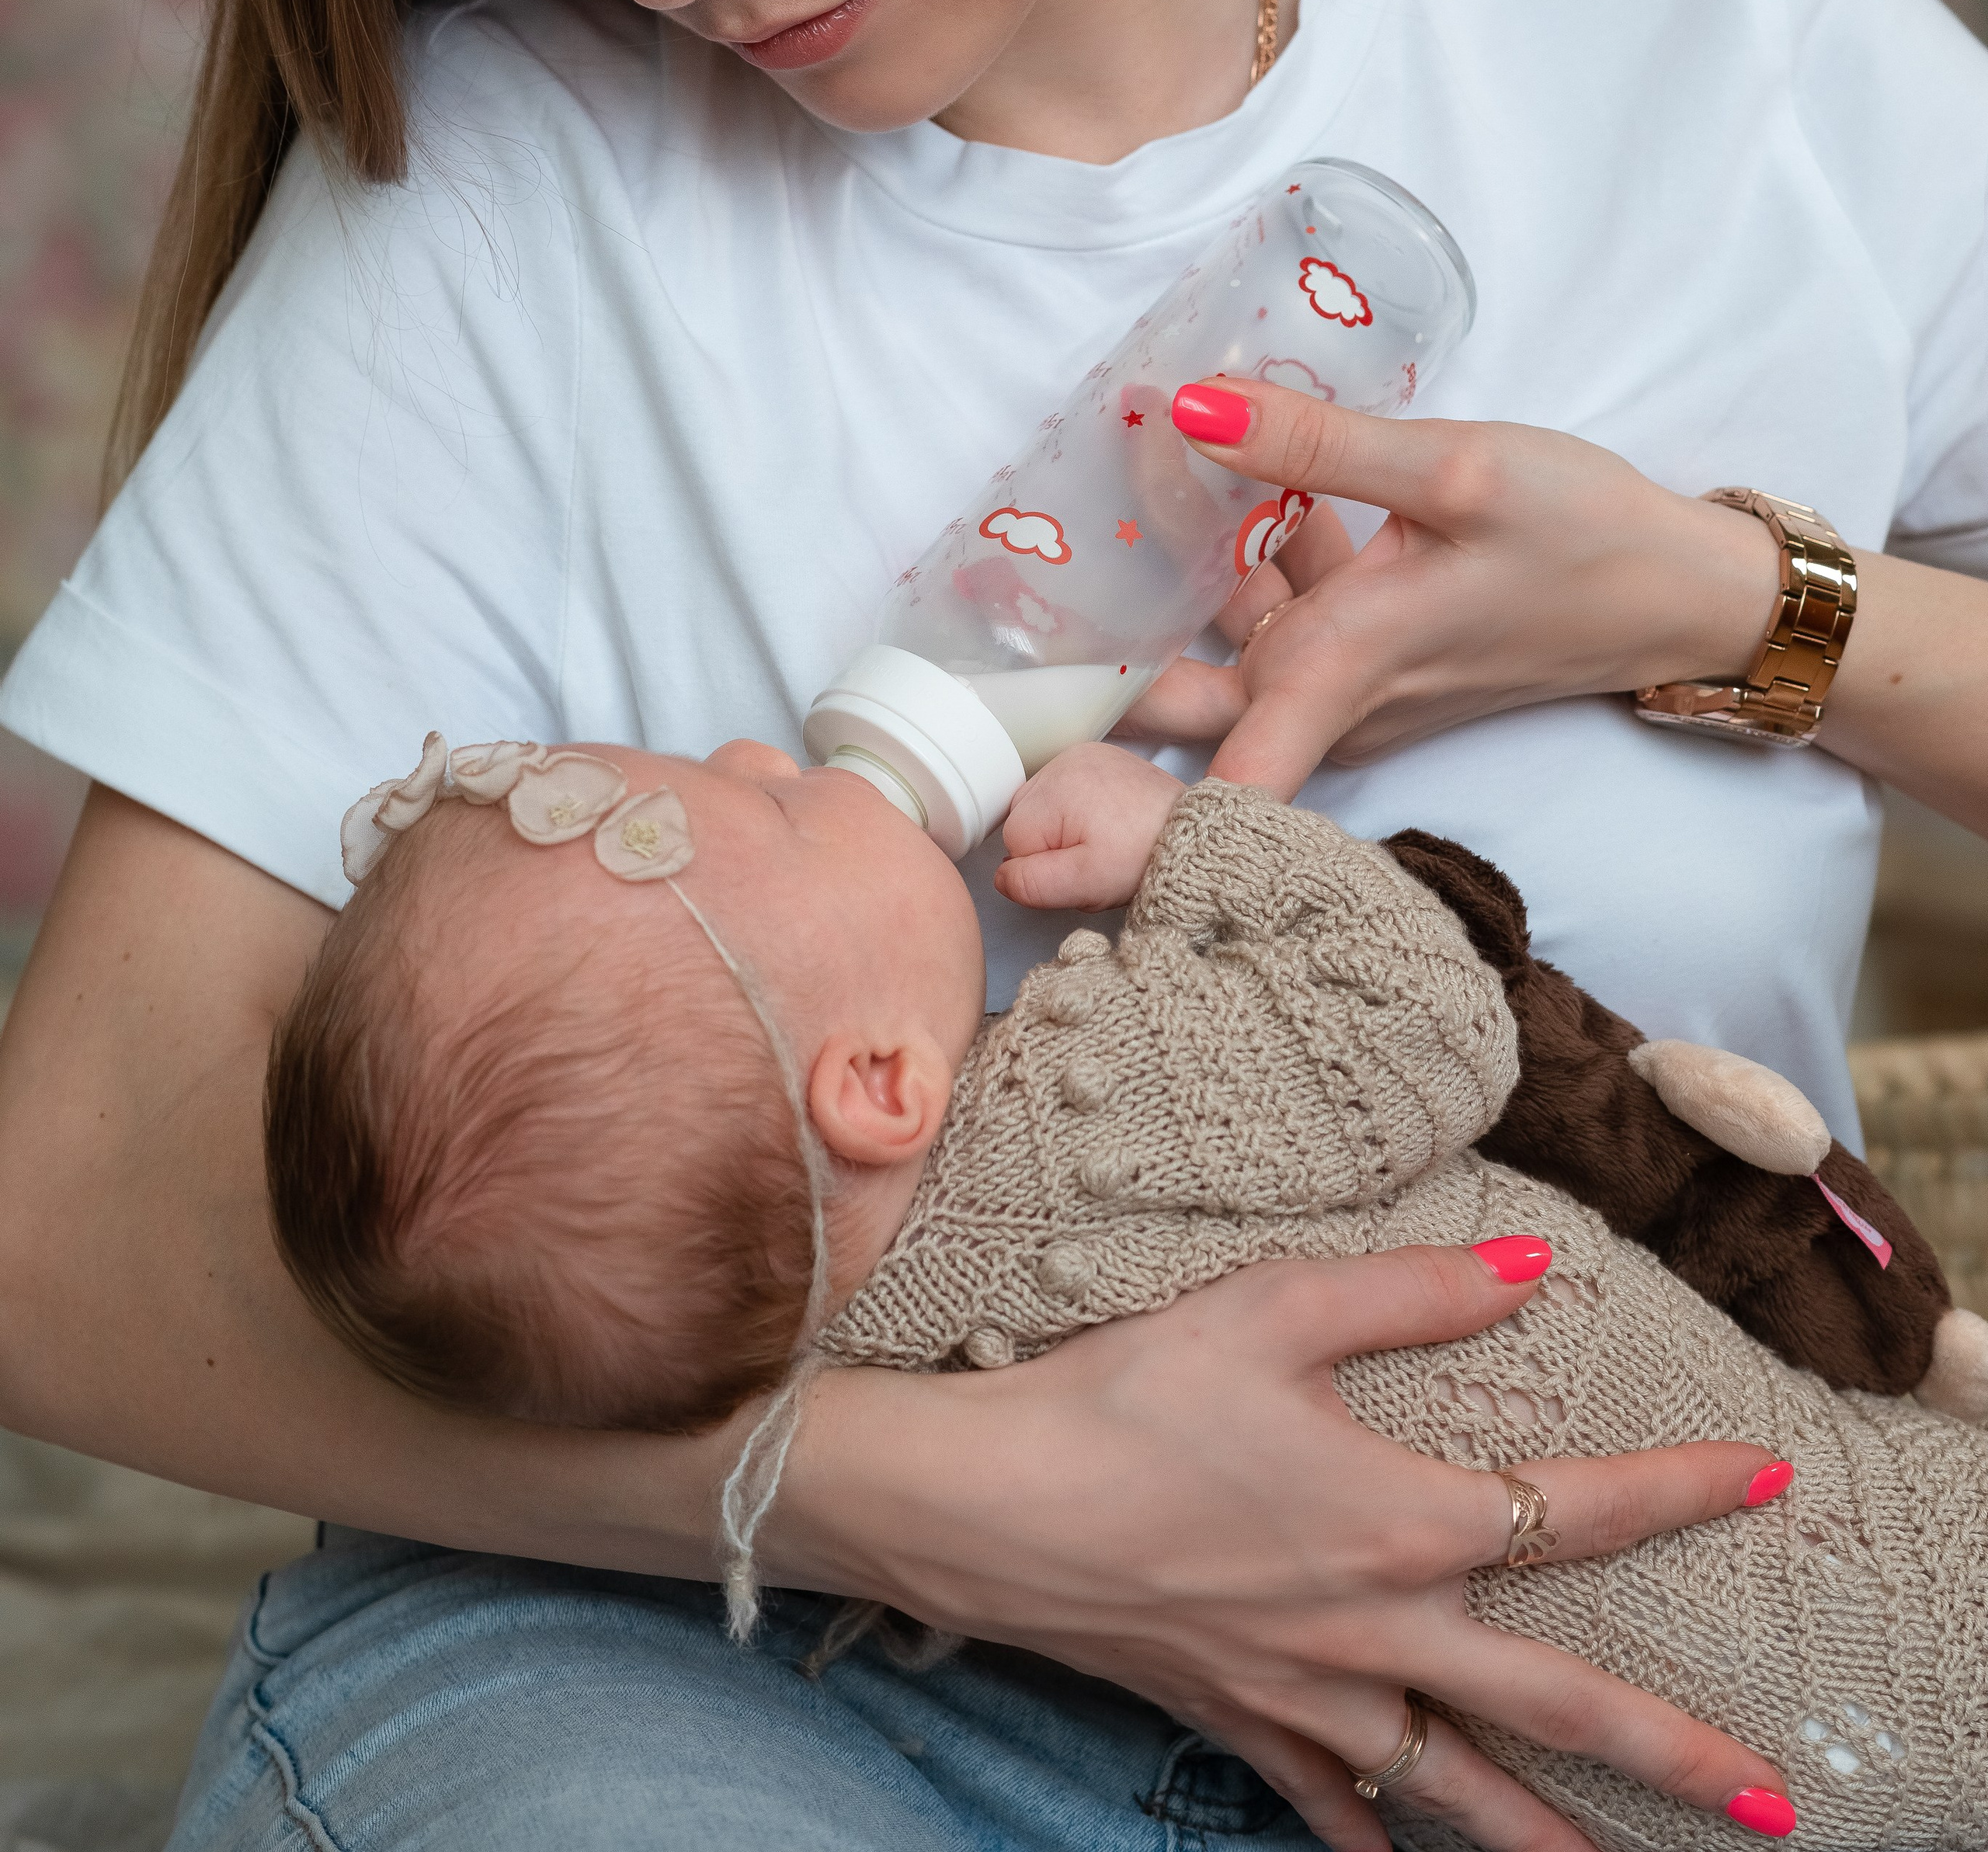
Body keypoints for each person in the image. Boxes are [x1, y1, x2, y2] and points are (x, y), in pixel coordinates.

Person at [0, 0, 1983, 1850]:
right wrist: (942, 1498)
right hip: (745, 1666)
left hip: (1605, 1644)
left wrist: (1740, 606)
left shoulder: (1707, 25)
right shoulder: (510, 182)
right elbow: (66, 1224)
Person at [258, 721, 1988, 1846]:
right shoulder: (1086, 1092)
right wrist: (1186, 843)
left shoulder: (811, 1355)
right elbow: (1427, 1020)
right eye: (774, 803)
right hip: (1884, 1571)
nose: (757, 743)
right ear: (880, 1087)